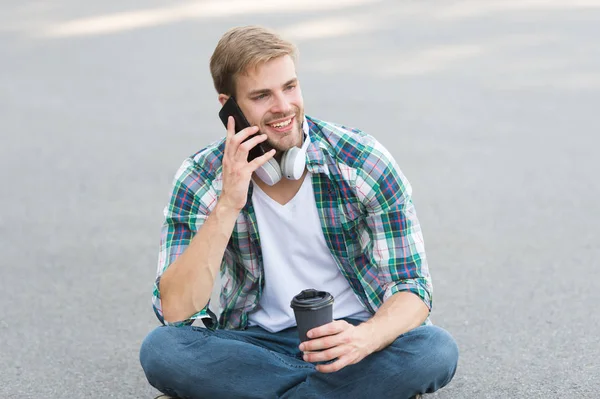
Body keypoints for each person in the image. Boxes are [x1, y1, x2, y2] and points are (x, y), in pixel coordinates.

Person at [139, 25, 459, 399]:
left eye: (289, 87)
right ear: (229, 107)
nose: (283, 107)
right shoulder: (200, 178)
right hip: (256, 345)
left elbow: (413, 289)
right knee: (162, 350)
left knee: (434, 350)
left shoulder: (362, 161)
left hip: (355, 337)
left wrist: (363, 339)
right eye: (262, 96)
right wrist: (228, 203)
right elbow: (177, 309)